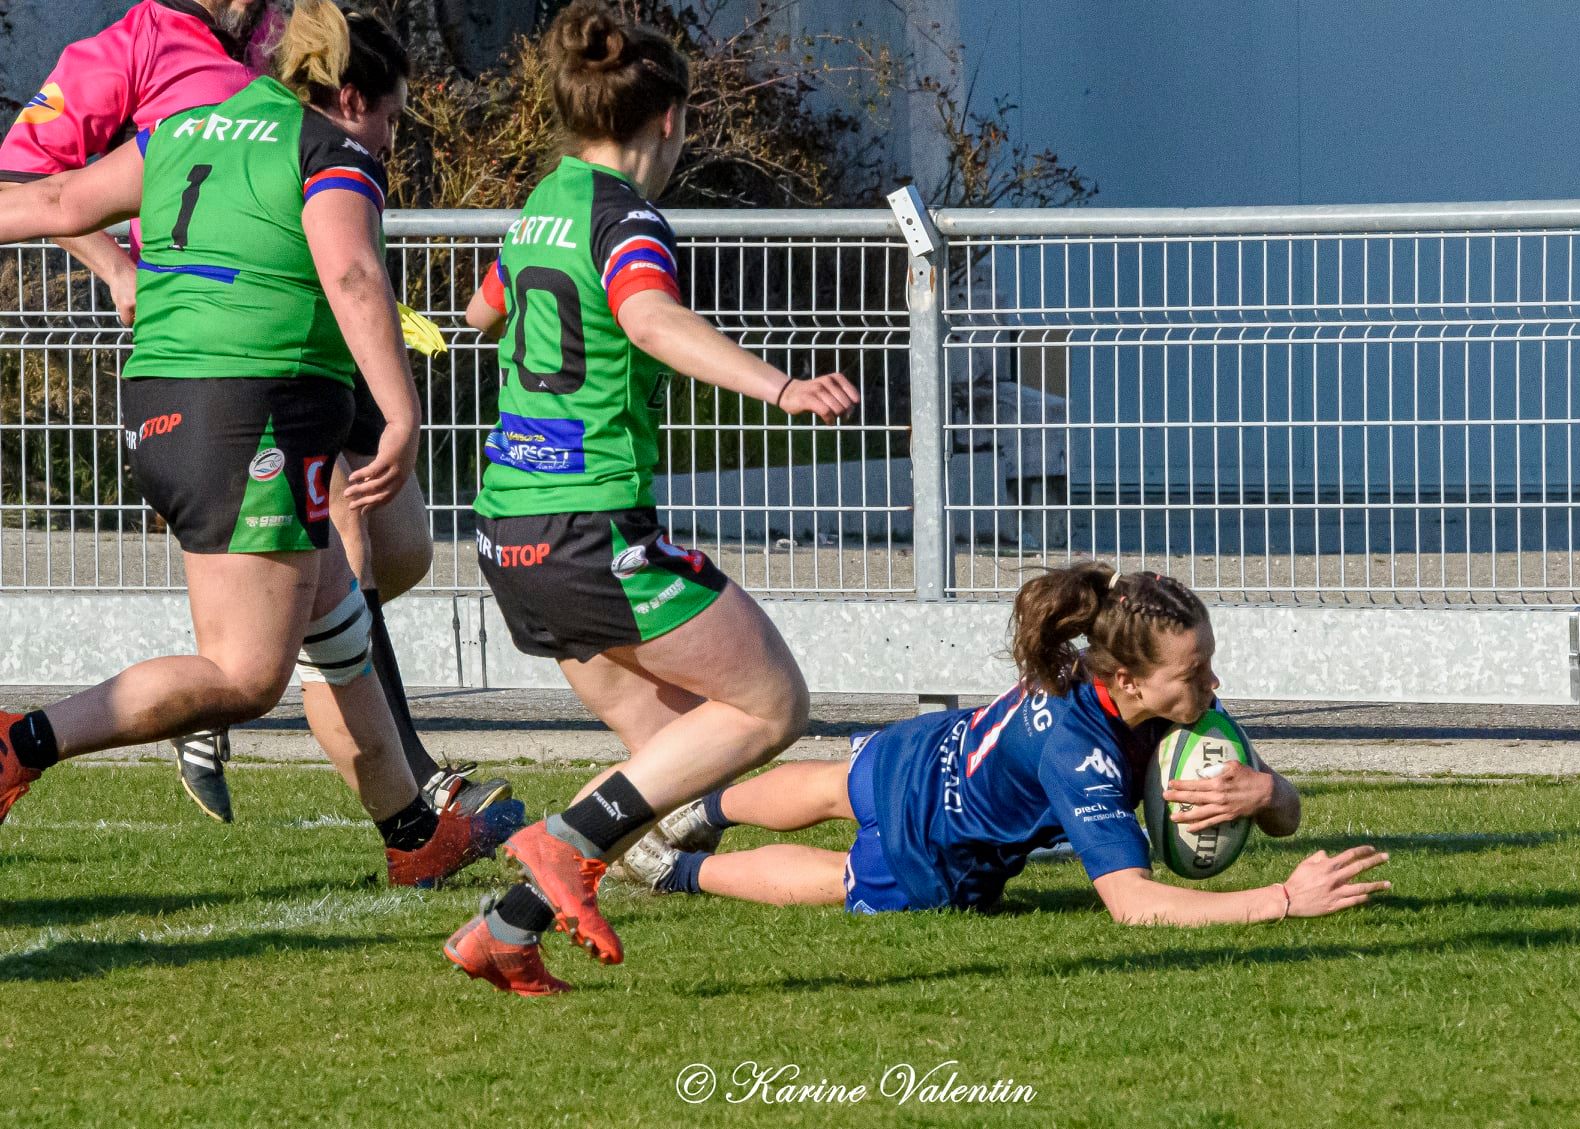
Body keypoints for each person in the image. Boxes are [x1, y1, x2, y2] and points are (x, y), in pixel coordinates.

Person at [0, 1, 515, 886]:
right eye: (390, 117)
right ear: (349, 95)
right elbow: (353, 276)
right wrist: (401, 411)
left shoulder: (181, 129)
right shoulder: (327, 149)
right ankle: (21, 743)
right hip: (251, 411)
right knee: (245, 675)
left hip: (166, 401)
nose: (390, 139)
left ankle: (410, 830)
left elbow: (51, 197)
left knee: (335, 615)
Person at [440, 0, 859, 996]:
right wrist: (781, 385)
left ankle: (504, 929)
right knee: (770, 702)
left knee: (671, 754)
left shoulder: (542, 203)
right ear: (667, 117)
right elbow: (653, 319)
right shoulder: (624, 218)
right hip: (593, 526)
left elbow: (481, 311)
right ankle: (559, 848)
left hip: (510, 531)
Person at [614, 565, 1391, 926]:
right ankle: (677, 868)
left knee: (838, 783)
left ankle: (695, 808)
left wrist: (1268, 793)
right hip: (941, 845)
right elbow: (1134, 903)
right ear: (1126, 678)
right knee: (843, 876)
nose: (1213, 685)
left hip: (932, 746)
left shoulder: (1136, 686)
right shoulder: (1080, 750)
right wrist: (1285, 899)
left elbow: (1281, 813)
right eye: (1195, 671)